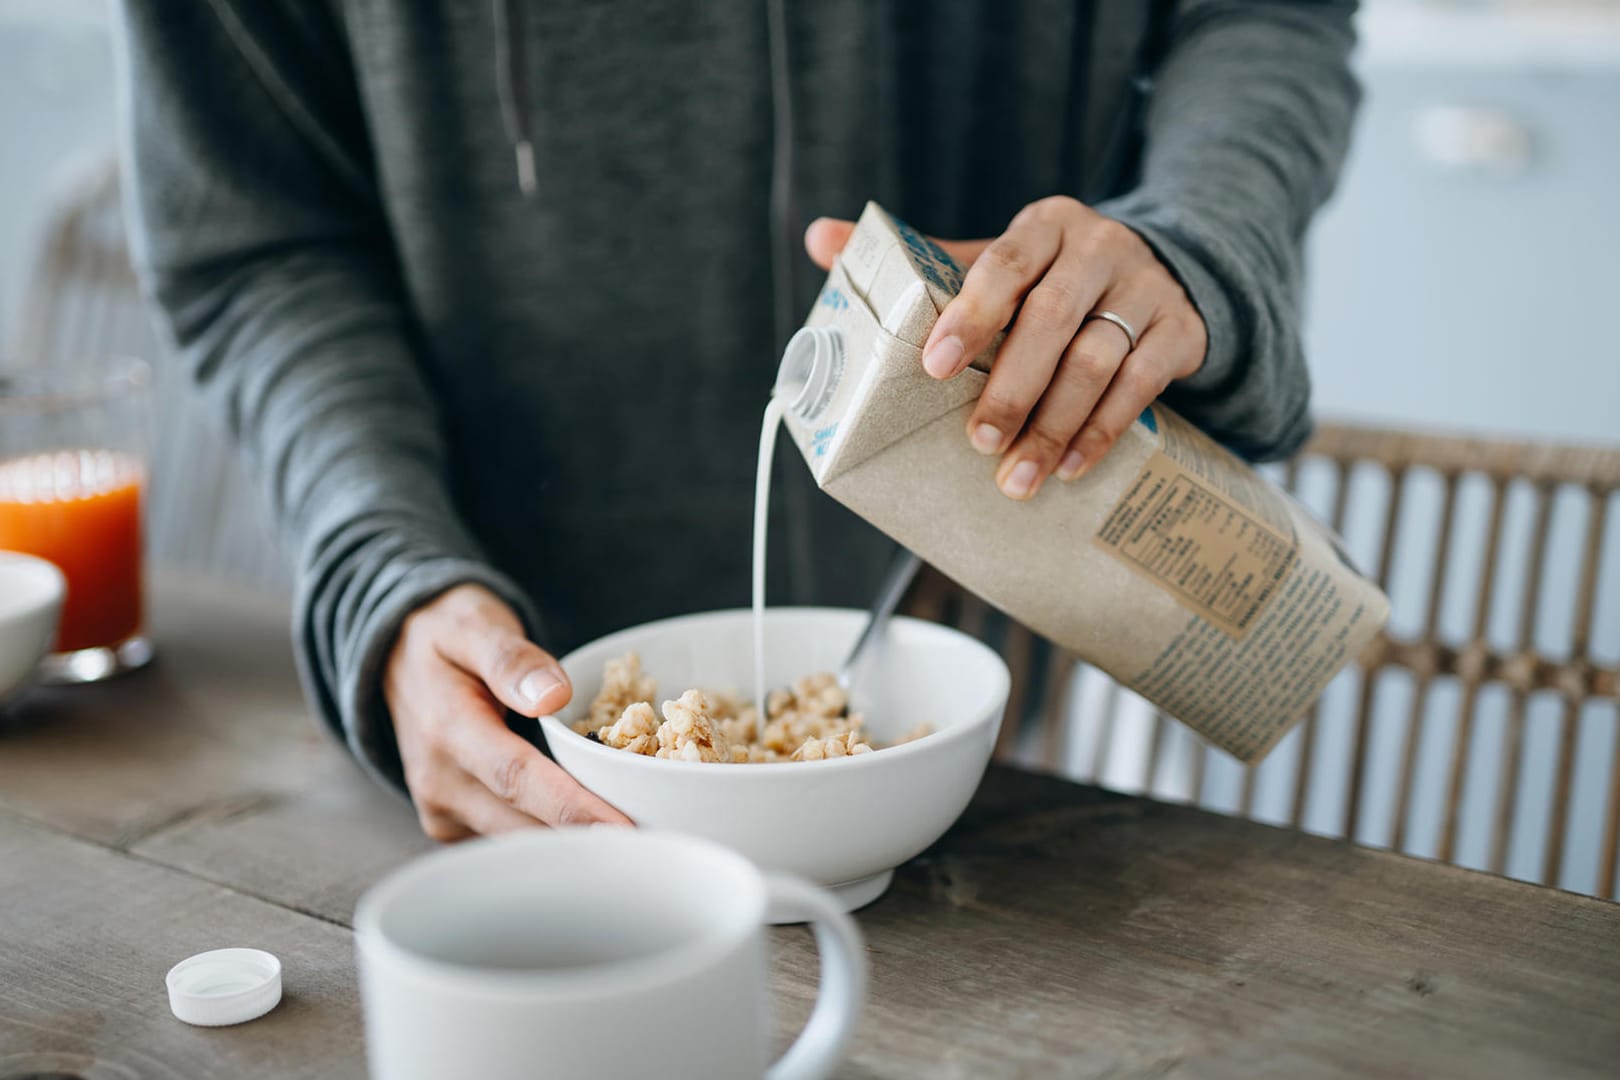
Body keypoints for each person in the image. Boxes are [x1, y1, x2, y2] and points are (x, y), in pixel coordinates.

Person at [115, 1, 1359, 839]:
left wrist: (1196, 239)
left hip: (985, 698)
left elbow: (1260, 17)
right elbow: (257, 232)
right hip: (517, 731)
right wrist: (381, 562)